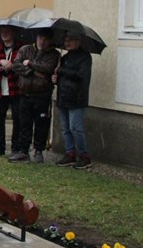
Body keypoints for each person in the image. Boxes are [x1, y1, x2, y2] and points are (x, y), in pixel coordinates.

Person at [9, 27, 60, 163]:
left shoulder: (54, 54)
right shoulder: (26, 49)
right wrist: (31, 72)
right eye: (40, 38)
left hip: (42, 94)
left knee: (41, 124)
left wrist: (30, 63)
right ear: (36, 37)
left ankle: (39, 150)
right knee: (24, 123)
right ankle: (23, 150)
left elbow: (48, 68)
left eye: (46, 40)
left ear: (50, 41)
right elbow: (16, 65)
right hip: (25, 92)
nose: (42, 42)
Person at [54, 32, 93, 169]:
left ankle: (84, 155)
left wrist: (62, 71)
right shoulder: (65, 57)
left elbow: (80, 75)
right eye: (66, 40)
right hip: (63, 96)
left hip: (77, 97)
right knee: (65, 128)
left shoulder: (85, 57)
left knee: (75, 128)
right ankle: (70, 153)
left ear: (78, 41)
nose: (67, 43)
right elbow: (62, 77)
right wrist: (56, 79)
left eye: (70, 40)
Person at [0, 25, 24, 156]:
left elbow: (22, 65)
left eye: (7, 32)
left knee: (17, 118)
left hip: (16, 89)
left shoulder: (20, 48)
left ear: (13, 33)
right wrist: (0, 63)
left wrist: (12, 66)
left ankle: (16, 147)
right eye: (2, 32)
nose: (4, 34)